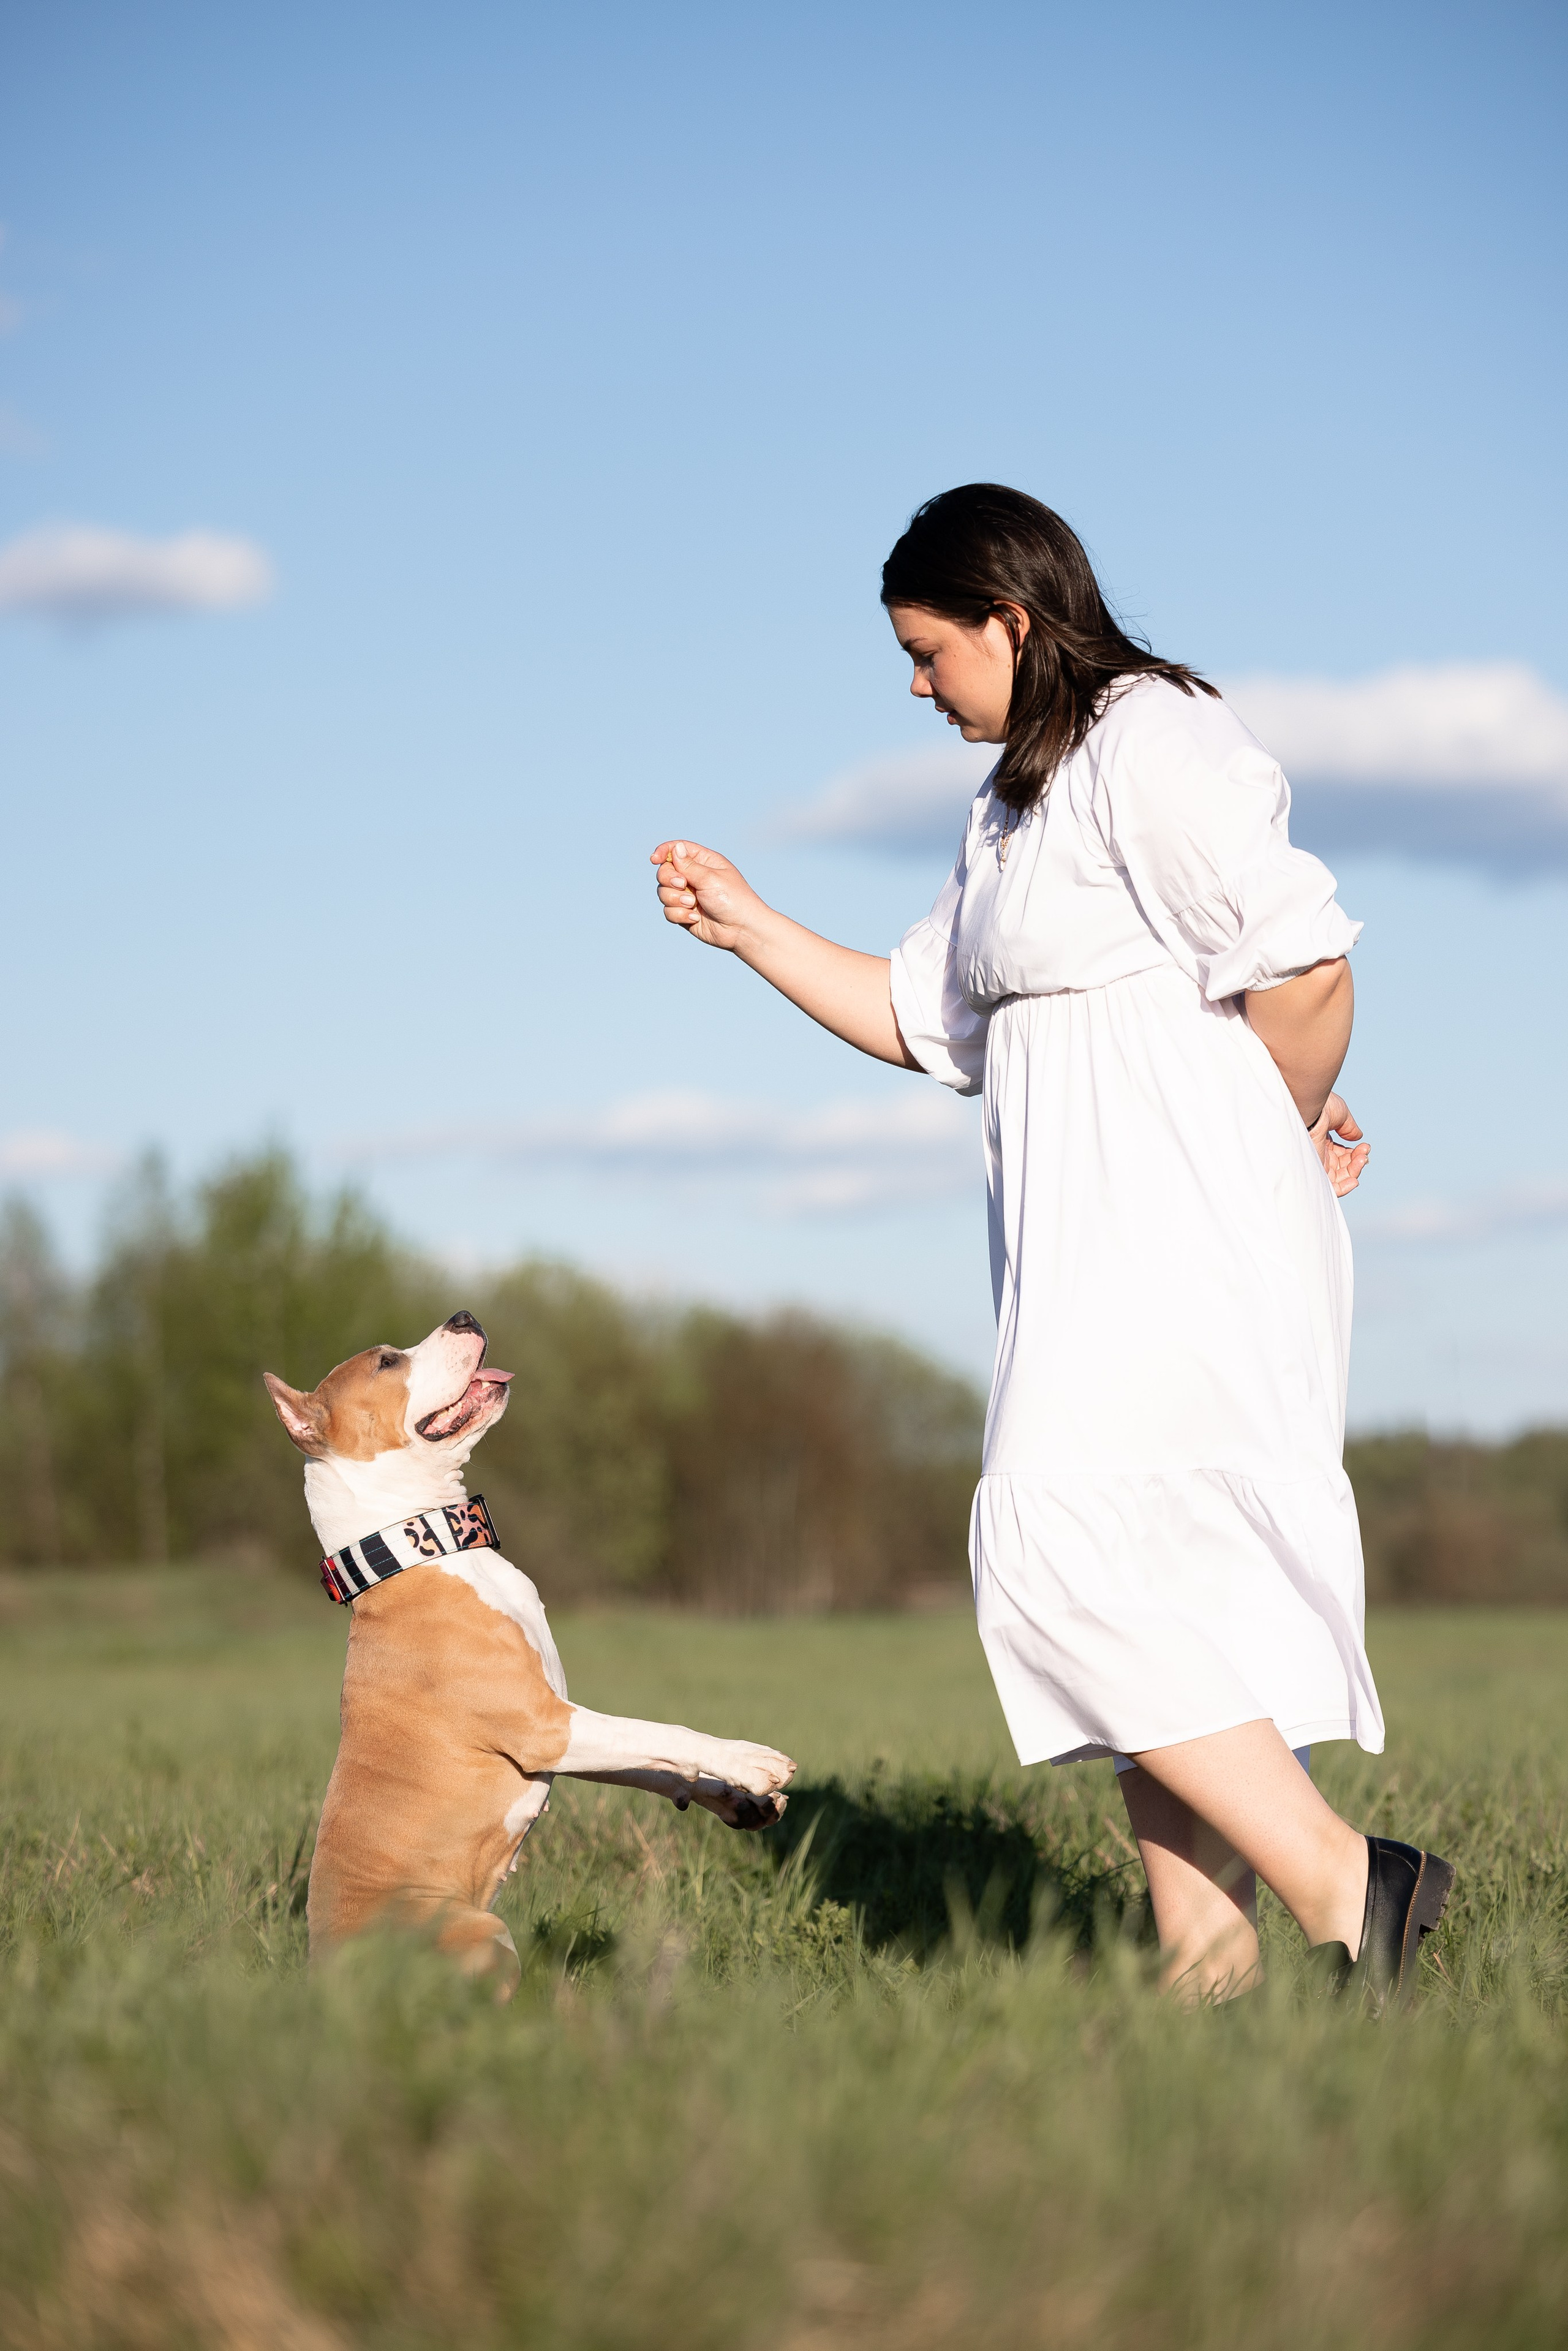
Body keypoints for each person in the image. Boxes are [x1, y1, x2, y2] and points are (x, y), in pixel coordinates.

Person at [650, 483, 1453, 2009]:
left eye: (925, 650)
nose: (913, 684)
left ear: (1008, 621)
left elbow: (1305, 966)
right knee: (1148, 1594)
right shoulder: (1014, 796)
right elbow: (918, 1017)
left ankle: (1358, 1884)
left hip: (1186, 1244)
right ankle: (1202, 1978)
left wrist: (1271, 1136)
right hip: (1084, 1249)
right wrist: (750, 925)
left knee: (1050, 1559)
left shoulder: (1156, 741)